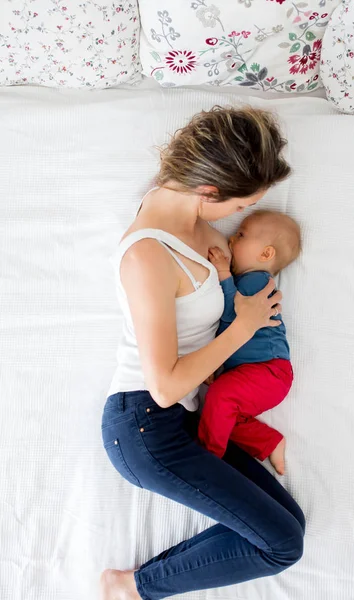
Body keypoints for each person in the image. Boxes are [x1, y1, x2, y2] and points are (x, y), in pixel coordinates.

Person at [101, 106, 306, 600]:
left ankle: (135, 584)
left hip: (186, 419)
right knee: (281, 545)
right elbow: (165, 386)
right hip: (146, 426)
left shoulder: (184, 211)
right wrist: (247, 326)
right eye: (242, 204)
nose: (238, 221)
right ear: (209, 191)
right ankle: (129, 588)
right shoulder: (147, 256)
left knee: (289, 524)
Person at [198, 210, 301, 476]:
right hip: (262, 373)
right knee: (221, 414)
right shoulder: (249, 282)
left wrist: (222, 273)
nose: (231, 239)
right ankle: (268, 442)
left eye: (241, 235)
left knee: (220, 397)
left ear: (266, 254)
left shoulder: (258, 281)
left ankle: (209, 461)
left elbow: (235, 315)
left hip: (268, 371)